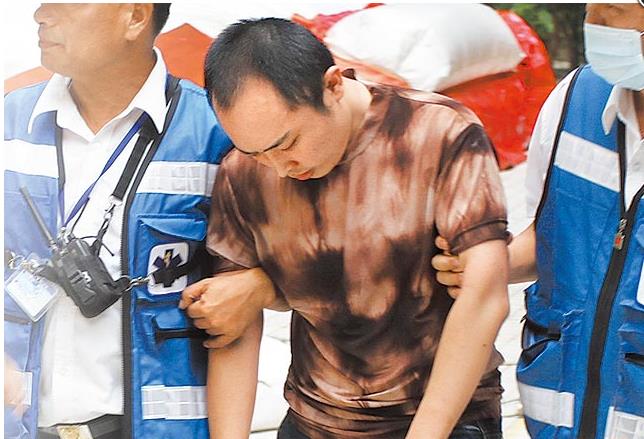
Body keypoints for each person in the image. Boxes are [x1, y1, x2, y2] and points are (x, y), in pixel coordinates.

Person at [181, 17, 511, 439]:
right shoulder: (242, 172)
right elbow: (234, 321)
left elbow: (484, 296)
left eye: (287, 143)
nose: (279, 168)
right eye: (256, 153)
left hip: (444, 420)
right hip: (314, 420)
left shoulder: (438, 133)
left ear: (333, 85)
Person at [3, 4, 253, 438]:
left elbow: (237, 311)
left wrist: (261, 284)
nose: (41, 14)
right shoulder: (10, 122)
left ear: (135, 16)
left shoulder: (213, 133)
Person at [431, 4, 644, 438]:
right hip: (560, 420)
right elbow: (552, 236)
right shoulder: (575, 99)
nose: (594, 28)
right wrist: (489, 264)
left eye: (610, 15)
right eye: (591, 11)